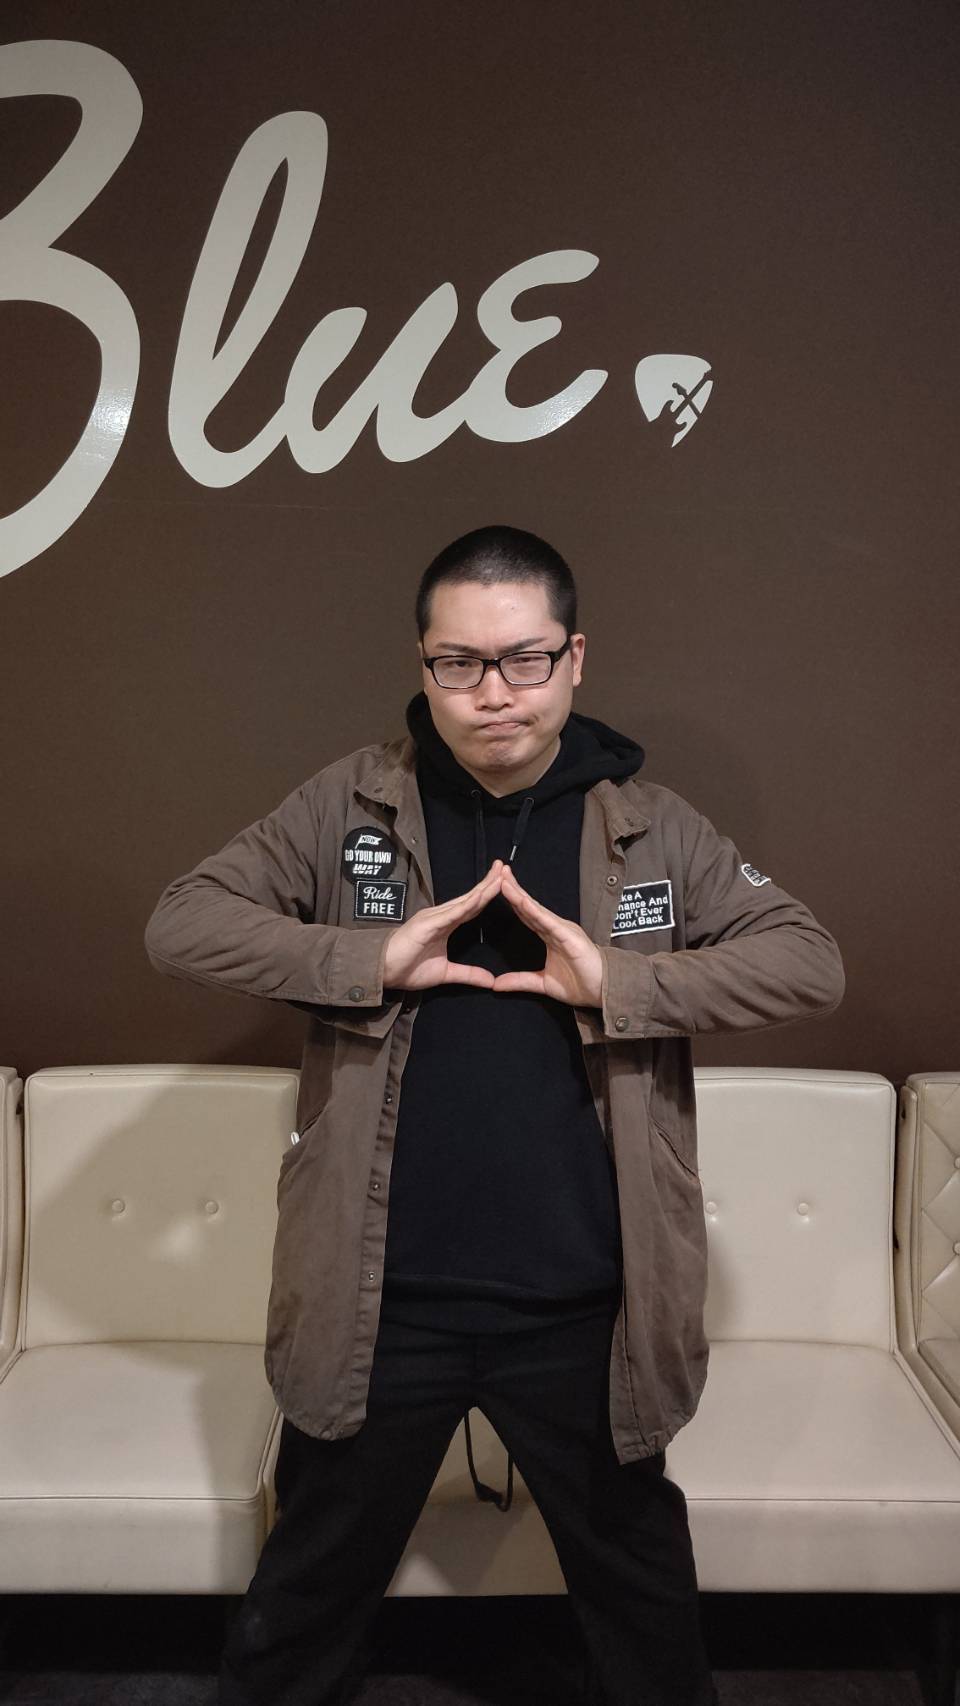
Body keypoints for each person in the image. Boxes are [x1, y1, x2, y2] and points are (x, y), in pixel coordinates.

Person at [144, 523, 844, 1706]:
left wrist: (618, 981)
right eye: (459, 662)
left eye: (525, 658)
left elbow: (807, 961)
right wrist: (367, 958)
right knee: (301, 1606)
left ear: (575, 658)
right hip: (382, 1304)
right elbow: (183, 920)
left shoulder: (650, 823)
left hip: (587, 1304)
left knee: (644, 1611)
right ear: (423, 664)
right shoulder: (350, 803)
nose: (495, 691)